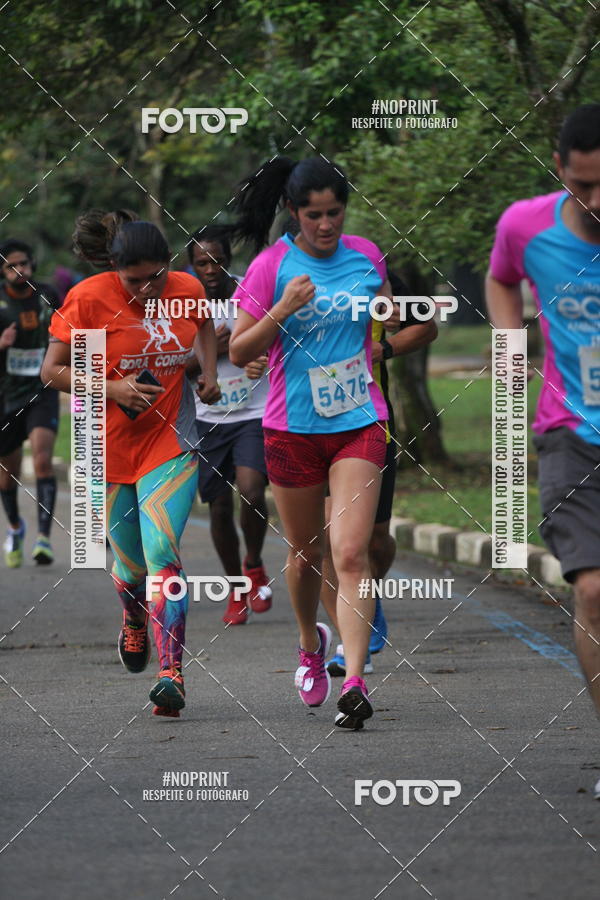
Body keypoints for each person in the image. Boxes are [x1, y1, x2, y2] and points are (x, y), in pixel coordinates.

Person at [229, 156, 392, 730]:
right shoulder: (271, 266)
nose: (326, 225)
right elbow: (239, 351)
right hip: (292, 429)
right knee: (305, 555)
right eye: (314, 215)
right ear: (293, 212)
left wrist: (390, 330)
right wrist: (283, 309)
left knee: (351, 553)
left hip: (359, 422)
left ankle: (355, 681)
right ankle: (309, 643)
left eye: (335, 213)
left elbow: (383, 319)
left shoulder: (367, 256)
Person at [42, 210, 220, 717]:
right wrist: (112, 387)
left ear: (169, 264)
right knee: (131, 567)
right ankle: (135, 617)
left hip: (170, 441)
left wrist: (208, 373)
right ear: (114, 269)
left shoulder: (186, 288)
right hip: (106, 448)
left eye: (155, 277)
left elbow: (204, 327)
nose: (147, 289)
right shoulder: (88, 300)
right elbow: (51, 371)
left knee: (163, 550)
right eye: (134, 280)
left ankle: (171, 674)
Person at [486, 103, 600, 795]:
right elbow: (501, 277)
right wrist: (509, 346)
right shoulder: (524, 225)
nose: (597, 201)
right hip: (570, 433)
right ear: (559, 169)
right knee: (592, 589)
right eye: (583, 185)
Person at [323, 272, 437, 675]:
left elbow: (426, 326)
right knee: (331, 545)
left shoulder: (373, 271)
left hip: (370, 425)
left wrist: (383, 348)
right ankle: (350, 645)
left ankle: (366, 592)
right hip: (305, 428)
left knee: (374, 541)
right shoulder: (284, 272)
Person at [187, 225, 272, 625]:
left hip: (254, 411)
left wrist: (260, 357)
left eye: (217, 261)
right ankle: (235, 586)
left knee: (252, 492)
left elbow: (275, 339)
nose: (211, 269)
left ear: (229, 260)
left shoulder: (250, 292)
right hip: (207, 418)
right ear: (191, 266)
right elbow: (173, 367)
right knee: (218, 506)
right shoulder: (183, 303)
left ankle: (253, 563)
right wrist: (215, 351)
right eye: (202, 263)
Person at [0, 239, 61, 567]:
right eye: (11, 266)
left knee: (41, 461)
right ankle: (15, 528)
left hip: (42, 390)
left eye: (23, 263)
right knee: (6, 476)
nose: (19, 270)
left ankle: (43, 538)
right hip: (5, 395)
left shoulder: (48, 295)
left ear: (32, 264)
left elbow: (70, 332)